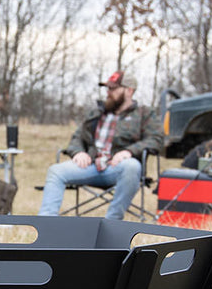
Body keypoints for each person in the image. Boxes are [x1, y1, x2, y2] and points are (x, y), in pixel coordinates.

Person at [38, 70, 161, 220]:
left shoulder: (144, 114)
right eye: (107, 88)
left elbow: (155, 140)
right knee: (55, 171)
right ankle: (46, 223)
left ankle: (111, 222)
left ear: (129, 91)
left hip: (118, 168)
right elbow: (77, 137)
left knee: (132, 166)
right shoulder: (97, 113)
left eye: (113, 88)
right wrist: (78, 152)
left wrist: (129, 151)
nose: (108, 92)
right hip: (91, 166)